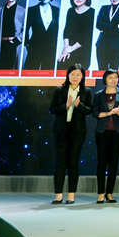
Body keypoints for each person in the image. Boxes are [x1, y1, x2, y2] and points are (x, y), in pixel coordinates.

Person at [49, 64, 92, 204]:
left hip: (77, 132)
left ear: (82, 76)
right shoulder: (59, 90)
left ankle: (71, 195)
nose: (75, 77)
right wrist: (66, 105)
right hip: (61, 130)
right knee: (60, 162)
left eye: (78, 74)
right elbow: (52, 109)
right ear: (68, 75)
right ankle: (58, 195)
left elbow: (89, 111)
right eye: (72, 74)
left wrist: (79, 106)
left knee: (73, 162)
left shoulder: (86, 92)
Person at [92, 68, 119, 203]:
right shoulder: (99, 94)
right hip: (102, 132)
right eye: (110, 78)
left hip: (118, 132)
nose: (113, 80)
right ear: (105, 80)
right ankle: (101, 193)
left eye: (115, 77)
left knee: (114, 162)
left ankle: (109, 193)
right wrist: (108, 113)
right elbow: (95, 113)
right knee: (102, 162)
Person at [57, 0, 95, 71]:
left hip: (82, 51)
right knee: (61, 64)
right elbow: (66, 31)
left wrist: (70, 49)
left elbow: (86, 37)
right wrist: (66, 49)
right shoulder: (70, 11)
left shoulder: (92, 12)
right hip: (69, 49)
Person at [23, 0, 59, 71]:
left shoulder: (56, 10)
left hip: (51, 48)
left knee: (47, 72)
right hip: (35, 47)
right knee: (30, 72)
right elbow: (25, 28)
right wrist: (27, 44)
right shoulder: (31, 10)